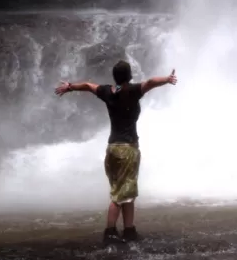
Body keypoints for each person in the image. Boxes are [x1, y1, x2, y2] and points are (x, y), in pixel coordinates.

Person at [54, 60, 177, 245]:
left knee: (126, 192)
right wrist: (167, 79)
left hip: (112, 149)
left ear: (115, 76)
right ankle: (110, 232)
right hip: (128, 149)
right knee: (121, 195)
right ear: (130, 76)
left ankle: (129, 230)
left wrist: (69, 87)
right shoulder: (133, 91)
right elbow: (151, 82)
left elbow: (88, 85)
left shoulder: (107, 92)